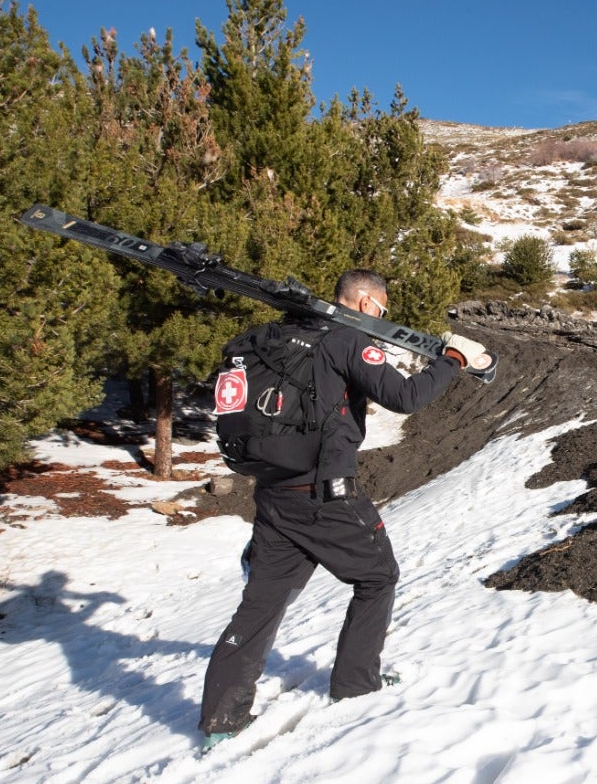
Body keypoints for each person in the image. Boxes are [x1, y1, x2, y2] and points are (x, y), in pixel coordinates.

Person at [198, 269, 488, 744]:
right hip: (323, 494)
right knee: (378, 577)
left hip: (272, 492)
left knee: (261, 605)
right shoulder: (347, 340)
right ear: (366, 303)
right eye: (382, 309)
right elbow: (406, 396)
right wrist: (454, 357)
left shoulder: (269, 338)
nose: (381, 317)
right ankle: (355, 687)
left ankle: (220, 722)